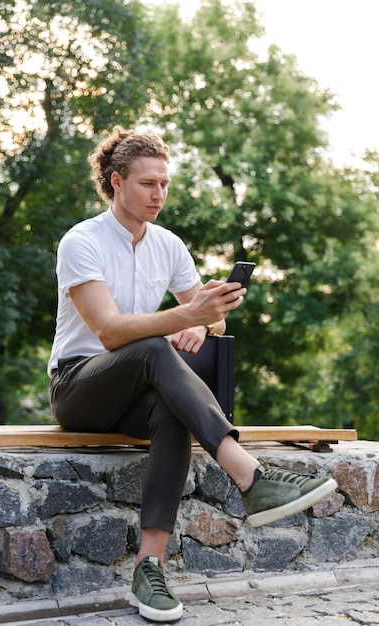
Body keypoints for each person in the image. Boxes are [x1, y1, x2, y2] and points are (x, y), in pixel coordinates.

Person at [48, 126, 338, 623]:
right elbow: (111, 332)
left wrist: (203, 322)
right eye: (146, 184)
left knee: (171, 406)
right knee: (155, 350)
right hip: (79, 386)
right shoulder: (82, 241)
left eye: (164, 183)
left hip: (141, 388)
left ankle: (149, 568)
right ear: (116, 182)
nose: (159, 194)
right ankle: (250, 476)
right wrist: (186, 319)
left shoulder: (168, 245)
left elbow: (211, 317)